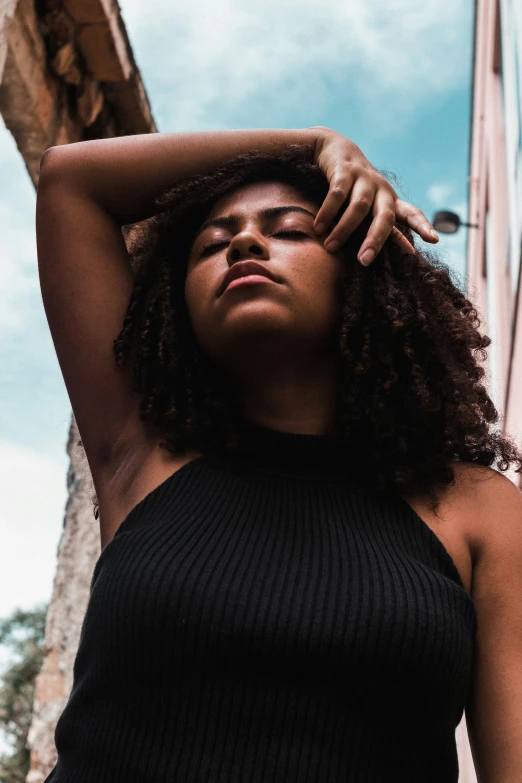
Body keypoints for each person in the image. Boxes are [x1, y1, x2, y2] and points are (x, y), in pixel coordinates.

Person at [36, 127, 522, 782]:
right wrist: (317, 142)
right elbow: (71, 180)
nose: (241, 242)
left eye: (290, 229)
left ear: (364, 267)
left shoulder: (478, 511)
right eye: (211, 243)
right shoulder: (140, 455)